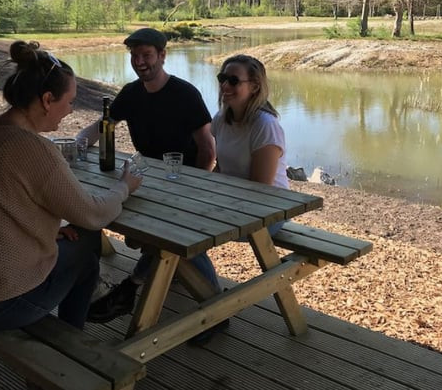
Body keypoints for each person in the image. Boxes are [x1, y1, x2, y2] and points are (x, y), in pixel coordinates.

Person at [0, 41, 142, 331]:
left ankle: (73, 335)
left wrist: (49, 230)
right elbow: (93, 214)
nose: (70, 110)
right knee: (87, 244)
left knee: (77, 250)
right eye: (69, 101)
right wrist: (124, 186)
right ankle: (73, 344)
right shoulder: (32, 148)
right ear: (47, 99)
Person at [77, 27, 219, 326]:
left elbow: (208, 148)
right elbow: (104, 125)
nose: (140, 62)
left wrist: (195, 183)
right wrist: (78, 143)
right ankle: (153, 277)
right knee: (106, 216)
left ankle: (215, 310)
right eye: (135, 56)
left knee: (175, 237)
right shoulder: (131, 93)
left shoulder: (185, 94)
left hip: (188, 180)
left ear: (163, 56)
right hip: (149, 180)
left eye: (147, 55)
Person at [211, 54, 289, 236]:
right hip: (233, 202)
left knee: (187, 230)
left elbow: (260, 188)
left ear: (254, 86)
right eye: (222, 79)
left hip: (270, 211)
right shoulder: (220, 119)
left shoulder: (265, 126)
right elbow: (221, 168)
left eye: (233, 81)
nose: (224, 86)